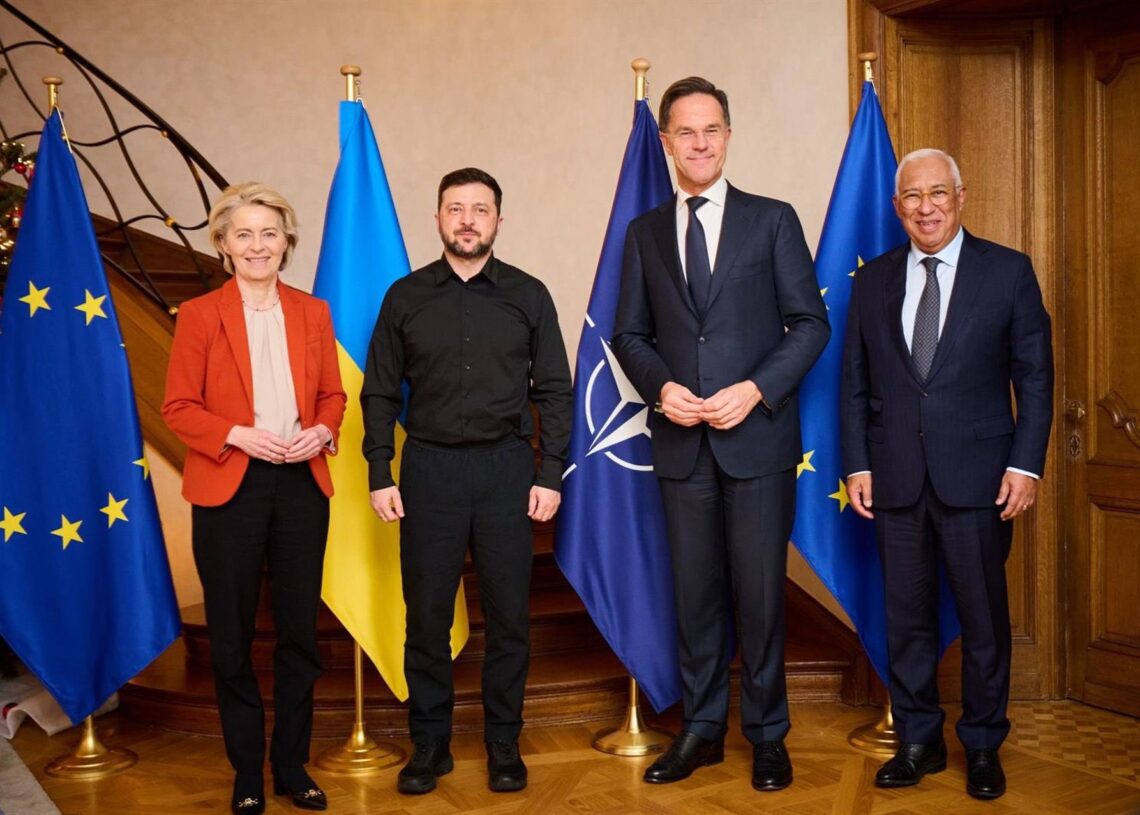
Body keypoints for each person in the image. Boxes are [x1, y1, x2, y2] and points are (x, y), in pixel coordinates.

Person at [612, 77, 830, 791]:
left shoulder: (772, 220)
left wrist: (757, 388)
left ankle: (767, 733)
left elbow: (811, 324)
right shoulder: (644, 232)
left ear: (728, 136)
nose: (698, 143)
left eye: (710, 130)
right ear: (667, 141)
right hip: (681, 446)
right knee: (696, 596)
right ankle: (703, 730)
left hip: (758, 443)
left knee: (762, 595)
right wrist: (662, 388)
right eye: (685, 132)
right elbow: (630, 333)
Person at [841, 148, 1053, 800]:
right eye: (912, 196)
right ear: (898, 206)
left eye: (937, 193)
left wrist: (1024, 463)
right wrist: (856, 462)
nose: (925, 206)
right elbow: (853, 383)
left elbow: (1035, 379)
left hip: (981, 479)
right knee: (906, 618)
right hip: (896, 478)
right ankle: (918, 739)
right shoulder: (872, 280)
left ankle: (983, 743)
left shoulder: (1008, 272)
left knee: (984, 618)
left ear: (960, 197)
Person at [362, 167, 572, 795]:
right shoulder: (404, 297)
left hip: (507, 470)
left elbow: (555, 390)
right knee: (425, 616)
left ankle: (504, 742)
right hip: (427, 469)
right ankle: (429, 746)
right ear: (438, 219)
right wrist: (379, 468)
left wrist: (550, 471)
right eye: (456, 208)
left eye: (481, 209)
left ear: (498, 221)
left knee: (509, 617)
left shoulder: (529, 295)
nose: (468, 219)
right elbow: (377, 391)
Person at [163, 182, 346, 814]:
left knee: (299, 633)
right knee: (234, 636)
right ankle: (246, 771)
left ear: (286, 242)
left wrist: (323, 430)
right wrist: (237, 434)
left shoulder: (313, 313)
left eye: (270, 232)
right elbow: (178, 408)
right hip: (228, 486)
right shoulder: (197, 316)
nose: (258, 244)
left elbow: (332, 396)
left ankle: (291, 764)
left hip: (301, 485)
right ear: (223, 245)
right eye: (244, 234)